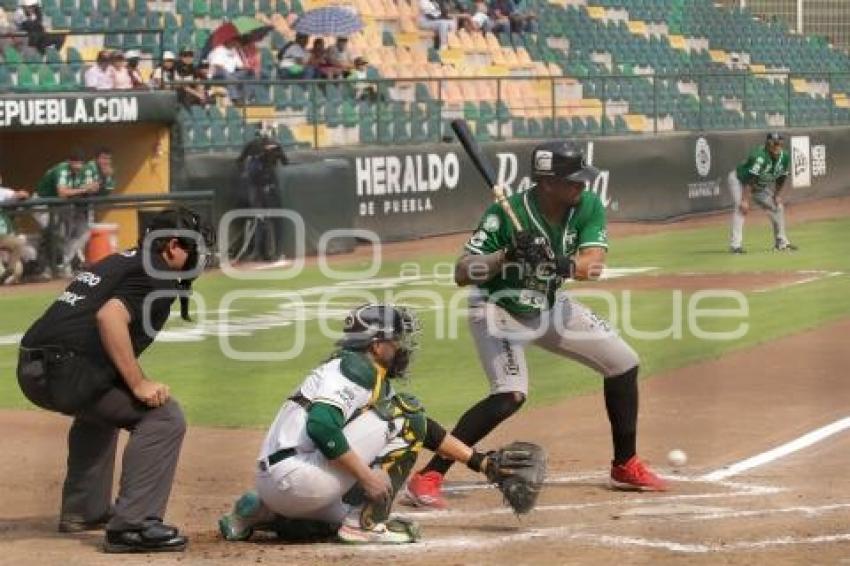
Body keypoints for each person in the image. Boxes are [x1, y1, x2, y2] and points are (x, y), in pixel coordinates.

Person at [404, 141, 667, 509]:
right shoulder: (504, 214)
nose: (582, 187)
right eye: (573, 181)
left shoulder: (587, 206)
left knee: (623, 363)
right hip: (499, 309)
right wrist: (506, 254)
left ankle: (625, 465)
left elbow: (593, 265)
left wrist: (560, 264)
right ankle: (428, 475)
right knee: (509, 394)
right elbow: (463, 273)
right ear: (546, 183)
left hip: (547, 304)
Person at [218, 304, 517, 544]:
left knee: (321, 528)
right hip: (299, 477)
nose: (401, 346)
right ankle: (365, 524)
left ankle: (257, 511)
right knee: (405, 413)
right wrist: (366, 476)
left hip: (277, 482)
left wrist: (480, 462)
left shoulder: (357, 371)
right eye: (396, 340)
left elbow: (425, 429)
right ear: (376, 346)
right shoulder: (353, 374)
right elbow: (321, 426)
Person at [16, 208, 213, 553]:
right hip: (65, 370)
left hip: (35, 368)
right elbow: (110, 317)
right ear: (170, 246)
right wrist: (139, 384)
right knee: (164, 418)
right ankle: (134, 526)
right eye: (192, 247)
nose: (197, 255)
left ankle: (84, 510)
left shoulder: (122, 261)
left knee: (102, 406)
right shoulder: (158, 272)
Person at [35, 148, 100, 275]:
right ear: (69, 162)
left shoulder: (86, 170)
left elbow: (93, 187)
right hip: (42, 204)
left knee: (84, 232)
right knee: (55, 233)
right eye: (75, 162)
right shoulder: (62, 169)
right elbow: (62, 193)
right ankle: (45, 268)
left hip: (62, 206)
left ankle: (63, 264)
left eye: (80, 163)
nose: (78, 166)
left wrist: (92, 188)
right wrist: (84, 189)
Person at [728, 132, 796, 253]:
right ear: (768, 144)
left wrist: (776, 195)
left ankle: (781, 243)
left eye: (779, 143)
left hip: (758, 186)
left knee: (778, 207)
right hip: (740, 181)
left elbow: (781, 178)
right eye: (774, 143)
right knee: (741, 208)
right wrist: (744, 200)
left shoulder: (784, 157)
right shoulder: (759, 157)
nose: (777, 146)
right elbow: (749, 180)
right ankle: (735, 245)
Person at [236, 132, 287, 261]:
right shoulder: (253, 150)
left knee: (274, 220)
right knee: (260, 219)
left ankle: (276, 251)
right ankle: (260, 252)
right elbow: (240, 161)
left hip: (270, 188)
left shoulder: (275, 147)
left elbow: (285, 161)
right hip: (258, 189)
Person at [0, 174, 29, 285]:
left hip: (3, 236)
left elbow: (23, 194)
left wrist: (19, 195)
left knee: (18, 243)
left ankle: (9, 271)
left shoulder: (3, 192)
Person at [209, 38, 253, 104]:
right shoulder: (219, 49)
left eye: (237, 42)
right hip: (217, 74)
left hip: (231, 75)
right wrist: (230, 75)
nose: (236, 44)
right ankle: (235, 98)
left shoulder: (234, 51)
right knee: (225, 72)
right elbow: (217, 65)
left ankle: (247, 97)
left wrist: (247, 68)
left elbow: (239, 66)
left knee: (249, 73)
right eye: (235, 42)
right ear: (229, 41)